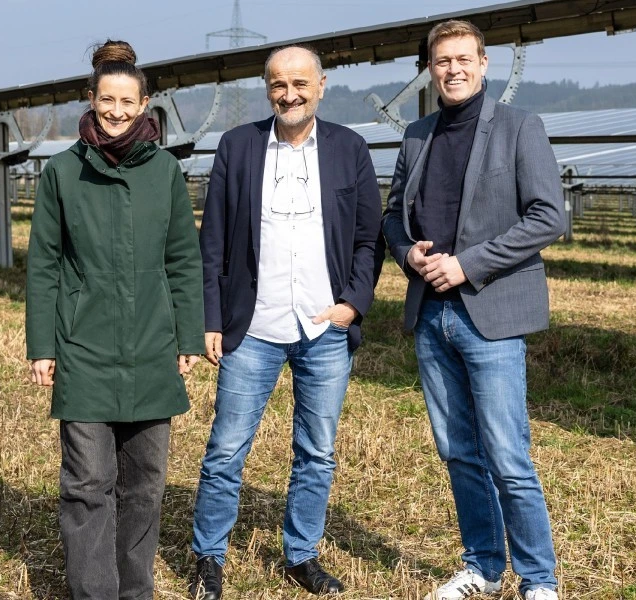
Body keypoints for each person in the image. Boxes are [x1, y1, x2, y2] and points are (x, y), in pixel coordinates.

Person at [382, 20, 566, 600]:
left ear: (484, 64)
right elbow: (391, 215)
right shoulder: (416, 135)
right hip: (431, 316)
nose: (453, 69)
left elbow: (548, 217)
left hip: (490, 313)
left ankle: (539, 580)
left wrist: (470, 263)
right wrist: (405, 250)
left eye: (464, 59)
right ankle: (484, 567)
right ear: (430, 69)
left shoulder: (519, 127)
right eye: (442, 61)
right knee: (459, 451)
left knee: (508, 454)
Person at [190, 45, 382, 598]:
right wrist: (211, 319)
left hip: (325, 328)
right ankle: (209, 557)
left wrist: (353, 303)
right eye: (278, 84)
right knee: (227, 448)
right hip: (251, 328)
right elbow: (214, 243)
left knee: (317, 451)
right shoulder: (238, 146)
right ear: (267, 88)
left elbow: (370, 239)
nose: (289, 94)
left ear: (321, 85)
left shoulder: (350, 149)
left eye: (300, 83)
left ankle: (301, 554)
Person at [25, 39, 204, 600]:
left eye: (129, 102)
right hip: (85, 346)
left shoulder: (166, 173)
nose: (118, 112)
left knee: (146, 486)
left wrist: (189, 335)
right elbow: (44, 264)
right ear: (92, 98)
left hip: (153, 345)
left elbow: (183, 258)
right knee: (87, 484)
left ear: (145, 103)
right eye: (108, 100)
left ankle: (136, 591)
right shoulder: (61, 172)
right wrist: (42, 345)